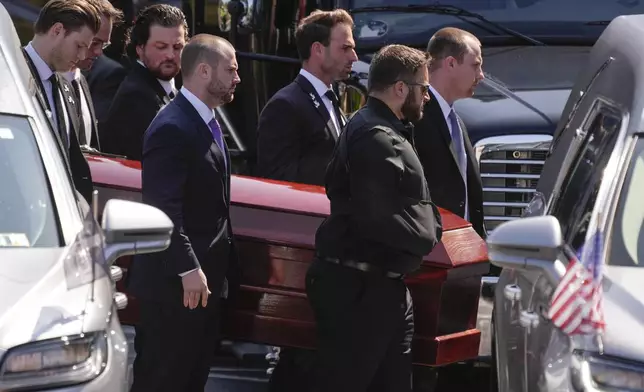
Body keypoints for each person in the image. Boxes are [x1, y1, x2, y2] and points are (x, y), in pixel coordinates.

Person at [308, 44, 443, 392]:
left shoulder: (382, 128)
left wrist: (428, 227)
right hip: (359, 293)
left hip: (381, 288)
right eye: (423, 88)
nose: (426, 97)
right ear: (401, 89)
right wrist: (426, 236)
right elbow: (377, 216)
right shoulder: (374, 135)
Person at [126, 33, 241, 392]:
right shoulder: (173, 126)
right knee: (163, 380)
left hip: (199, 288)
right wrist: (188, 267)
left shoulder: (205, 119)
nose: (238, 77)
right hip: (174, 287)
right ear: (205, 71)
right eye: (231, 69)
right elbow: (163, 209)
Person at [255, 9, 357, 186]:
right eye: (345, 48)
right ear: (317, 49)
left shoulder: (331, 99)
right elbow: (277, 181)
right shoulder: (284, 106)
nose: (353, 57)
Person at [22, 0, 101, 204]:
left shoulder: (64, 85)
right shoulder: (12, 77)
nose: (83, 55)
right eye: (79, 45)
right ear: (57, 30)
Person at [413, 27, 486, 238]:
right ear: (451, 63)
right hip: (433, 256)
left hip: (462, 251)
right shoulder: (417, 118)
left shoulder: (455, 120)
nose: (481, 75)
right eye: (475, 65)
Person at [100, 3, 187, 160]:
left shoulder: (159, 89)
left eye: (177, 47)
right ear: (140, 48)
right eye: (161, 47)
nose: (170, 55)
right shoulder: (137, 97)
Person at [63, 0, 123, 150]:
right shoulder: (42, 80)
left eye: (104, 45)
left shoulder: (81, 81)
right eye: (95, 42)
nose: (99, 52)